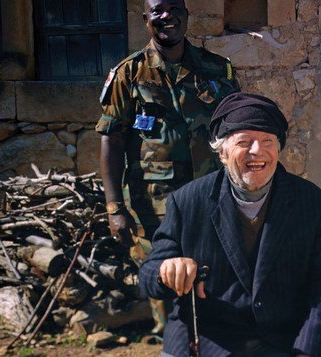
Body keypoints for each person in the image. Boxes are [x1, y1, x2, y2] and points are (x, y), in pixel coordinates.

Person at [137, 92, 321, 357]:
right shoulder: (188, 202)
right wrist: (167, 269)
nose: (257, 152)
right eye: (244, 141)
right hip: (204, 339)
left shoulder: (311, 203)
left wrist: (310, 353)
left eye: (267, 141)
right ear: (221, 151)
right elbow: (148, 274)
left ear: (279, 147)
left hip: (281, 343)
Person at [96, 0, 240, 334]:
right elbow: (111, 141)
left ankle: (212, 356)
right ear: (145, 20)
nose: (167, 17)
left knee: (213, 280)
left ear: (186, 16)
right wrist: (115, 207)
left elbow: (237, 130)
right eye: (158, 11)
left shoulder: (218, 69)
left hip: (211, 198)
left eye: (175, 9)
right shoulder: (128, 74)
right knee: (163, 283)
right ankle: (174, 355)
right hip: (154, 206)